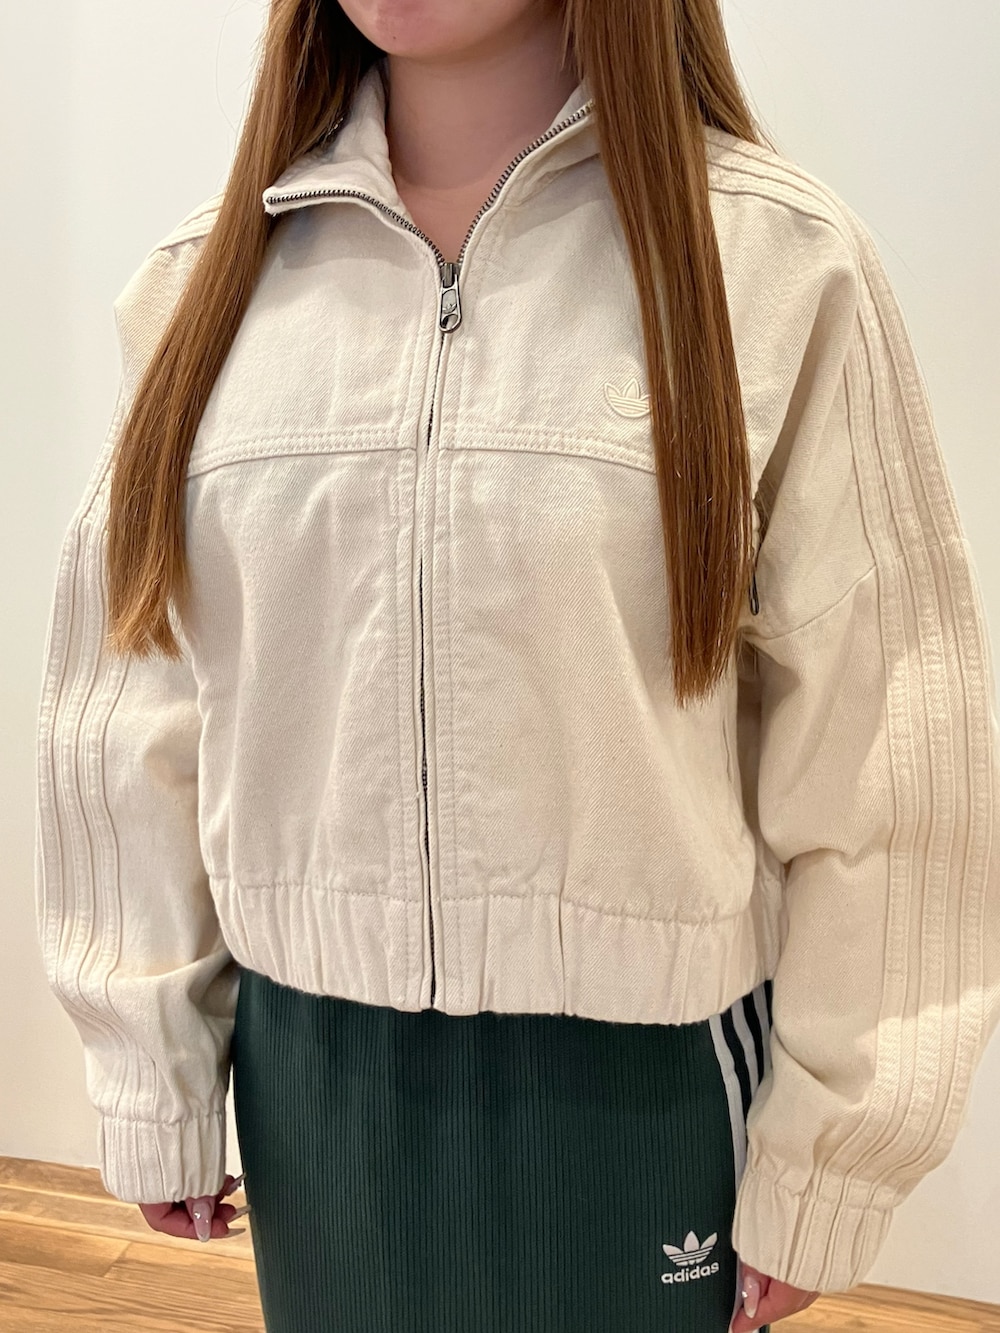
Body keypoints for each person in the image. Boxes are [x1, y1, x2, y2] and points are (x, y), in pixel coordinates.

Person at [33, 2, 1000, 1331]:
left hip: (643, 1081)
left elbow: (884, 746)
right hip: (315, 1070)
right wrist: (152, 1065)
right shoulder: (208, 284)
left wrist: (836, 1151)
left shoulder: (773, 262)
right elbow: (135, 701)